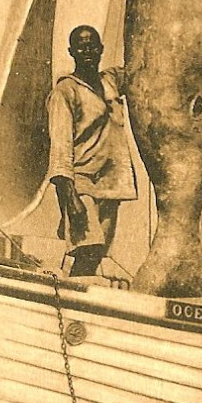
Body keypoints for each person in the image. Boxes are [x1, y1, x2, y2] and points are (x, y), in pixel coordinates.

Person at [47, 25, 137, 277]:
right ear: (71, 51)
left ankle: (74, 308)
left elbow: (140, 71)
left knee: (94, 256)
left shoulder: (110, 81)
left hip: (111, 184)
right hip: (81, 183)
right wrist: (69, 197)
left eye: (92, 46)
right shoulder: (65, 91)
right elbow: (61, 147)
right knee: (88, 248)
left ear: (101, 50)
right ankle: (69, 308)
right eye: (81, 46)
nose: (87, 50)